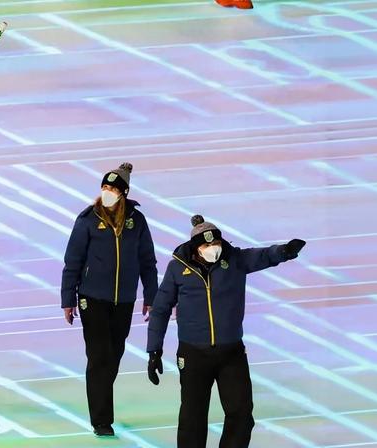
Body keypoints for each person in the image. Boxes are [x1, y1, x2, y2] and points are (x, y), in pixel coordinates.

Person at [146, 215, 306, 447]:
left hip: (231, 353)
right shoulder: (178, 268)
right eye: (207, 245)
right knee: (193, 418)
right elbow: (160, 310)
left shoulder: (234, 260)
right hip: (193, 355)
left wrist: (285, 251)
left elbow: (262, 256)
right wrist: (154, 350)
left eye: (216, 244)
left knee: (241, 414)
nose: (213, 249)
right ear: (196, 248)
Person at [61, 162, 159, 437]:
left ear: (124, 193)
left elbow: (147, 261)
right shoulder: (88, 219)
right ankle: (101, 420)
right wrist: (68, 298)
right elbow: (73, 262)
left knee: (114, 356)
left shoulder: (136, 221)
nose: (108, 192)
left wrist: (150, 295)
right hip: (92, 299)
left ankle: (102, 403)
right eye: (105, 187)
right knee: (99, 356)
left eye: (114, 188)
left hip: (124, 300)